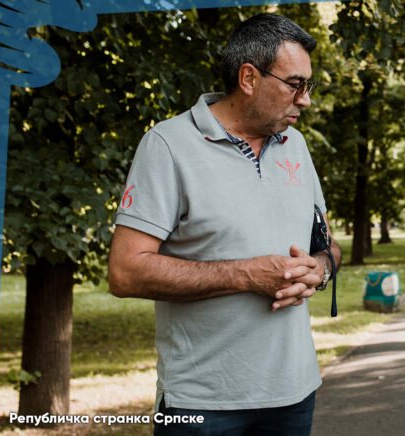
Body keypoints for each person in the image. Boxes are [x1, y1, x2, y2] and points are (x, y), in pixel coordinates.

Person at [107, 13, 341, 435]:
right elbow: (125, 272)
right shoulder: (167, 144)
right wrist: (245, 275)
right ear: (249, 77)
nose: (305, 99)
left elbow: (327, 247)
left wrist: (320, 269)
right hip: (203, 404)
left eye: (309, 86)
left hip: (294, 393)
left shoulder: (297, 144)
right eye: (295, 84)